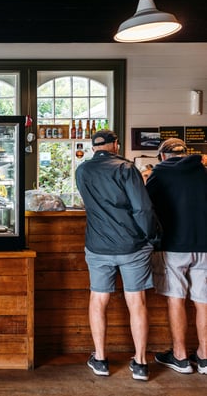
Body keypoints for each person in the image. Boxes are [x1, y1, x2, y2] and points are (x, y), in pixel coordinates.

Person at [75, 129, 158, 381]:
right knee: (137, 303)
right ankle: (141, 364)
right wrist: (151, 236)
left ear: (93, 148)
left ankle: (100, 359)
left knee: (99, 300)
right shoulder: (126, 168)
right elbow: (142, 208)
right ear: (115, 145)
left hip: (98, 246)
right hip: (132, 246)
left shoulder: (82, 171)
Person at [145, 138, 207, 375]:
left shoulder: (159, 174)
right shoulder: (203, 172)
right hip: (204, 245)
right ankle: (204, 357)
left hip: (173, 245)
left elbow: (145, 205)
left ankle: (180, 356)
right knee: (203, 301)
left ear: (162, 156)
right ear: (185, 153)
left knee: (176, 298)